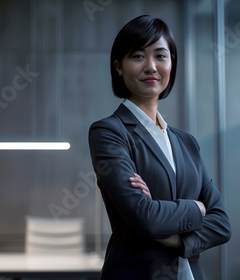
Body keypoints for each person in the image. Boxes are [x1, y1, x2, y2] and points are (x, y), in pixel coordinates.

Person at [88, 15, 231, 280]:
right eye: (138, 56)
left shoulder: (186, 142)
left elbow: (222, 224)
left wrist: (176, 240)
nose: (151, 67)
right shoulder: (109, 132)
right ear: (119, 66)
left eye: (160, 56)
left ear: (172, 64)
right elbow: (145, 218)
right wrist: (197, 208)